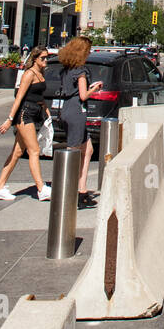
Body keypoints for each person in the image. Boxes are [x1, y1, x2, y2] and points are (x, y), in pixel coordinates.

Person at [0, 46, 52, 201]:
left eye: (47, 57)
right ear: (34, 58)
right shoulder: (29, 74)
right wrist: (10, 119)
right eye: (42, 58)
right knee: (34, 150)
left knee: (17, 152)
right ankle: (41, 188)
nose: (45, 60)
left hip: (34, 113)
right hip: (24, 115)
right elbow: (19, 98)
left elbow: (40, 96)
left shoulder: (40, 73)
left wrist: (47, 113)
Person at [57, 35, 103, 208]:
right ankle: (71, 191)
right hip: (77, 111)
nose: (89, 53)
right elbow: (83, 95)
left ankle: (82, 190)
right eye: (88, 51)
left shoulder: (66, 69)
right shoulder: (81, 71)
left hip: (67, 108)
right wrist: (95, 89)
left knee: (88, 149)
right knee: (73, 152)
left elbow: (73, 90)